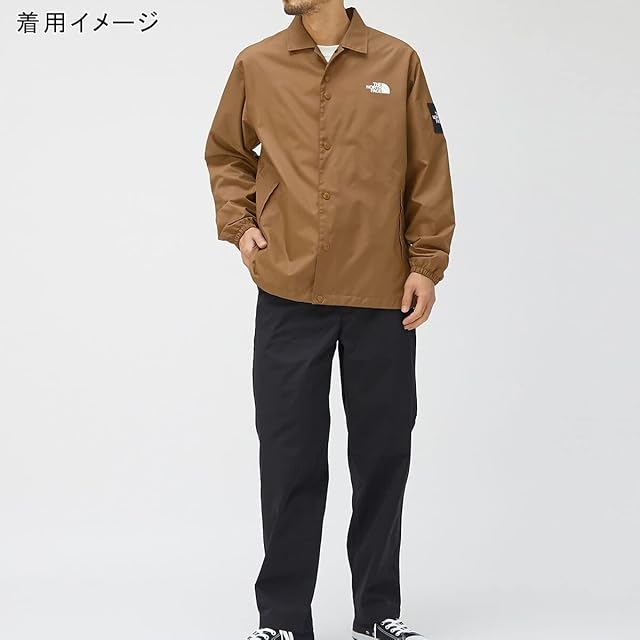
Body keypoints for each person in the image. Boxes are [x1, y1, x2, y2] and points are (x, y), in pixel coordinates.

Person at [204, 1, 455, 639]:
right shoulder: (258, 62)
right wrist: (240, 225)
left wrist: (427, 263)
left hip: (382, 290)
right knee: (289, 457)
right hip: (288, 289)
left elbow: (428, 166)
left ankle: (377, 611)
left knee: (382, 454)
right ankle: (283, 618)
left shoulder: (397, 61)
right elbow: (227, 153)